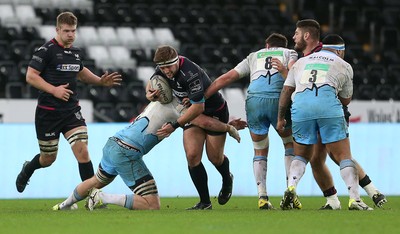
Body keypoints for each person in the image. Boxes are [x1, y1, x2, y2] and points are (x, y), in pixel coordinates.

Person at [52, 97, 245, 210]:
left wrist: (229, 122)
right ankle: (103, 198)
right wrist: (228, 127)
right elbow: (205, 122)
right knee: (152, 204)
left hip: (112, 143)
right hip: (128, 152)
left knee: (96, 180)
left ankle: (64, 205)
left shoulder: (156, 100)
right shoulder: (179, 108)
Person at [15, 12, 122, 193]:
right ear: (57, 30)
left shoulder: (75, 52)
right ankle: (29, 168)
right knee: (48, 159)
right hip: (48, 112)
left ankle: (93, 196)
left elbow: (80, 72)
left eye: (73, 31)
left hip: (71, 111)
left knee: (83, 152)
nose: (71, 35)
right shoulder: (46, 50)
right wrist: (54, 90)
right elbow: (31, 76)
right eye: (66, 31)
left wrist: (100, 81)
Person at [287, 19, 387, 209]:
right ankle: (335, 200)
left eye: (297, 34)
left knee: (335, 155)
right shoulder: (315, 58)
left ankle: (370, 191)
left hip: (324, 109)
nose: (294, 38)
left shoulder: (312, 58)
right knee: (320, 158)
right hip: (323, 109)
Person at [204, 33, 298, 209]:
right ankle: (290, 194)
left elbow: (227, 78)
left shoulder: (254, 55)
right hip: (280, 99)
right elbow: (292, 74)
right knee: (289, 145)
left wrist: (203, 97)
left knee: (260, 150)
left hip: (255, 101)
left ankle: (262, 196)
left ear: (267, 45)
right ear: (283, 45)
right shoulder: (290, 53)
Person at [146, 45, 234, 210]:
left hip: (213, 111)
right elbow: (152, 84)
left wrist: (174, 125)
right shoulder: (162, 68)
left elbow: (198, 108)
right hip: (191, 114)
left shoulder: (190, 73)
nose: (165, 71)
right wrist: (149, 94)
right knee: (193, 156)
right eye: (162, 67)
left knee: (215, 158)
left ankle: (227, 178)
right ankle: (205, 202)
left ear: (177, 61)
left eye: (168, 66)